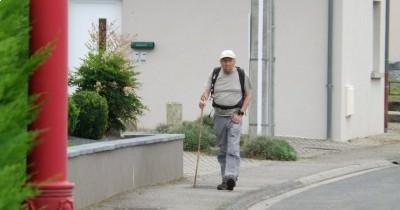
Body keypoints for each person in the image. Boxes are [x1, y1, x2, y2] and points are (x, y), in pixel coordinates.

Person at [198, 50, 252, 191]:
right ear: (220, 62)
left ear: (234, 62)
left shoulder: (241, 74)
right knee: (223, 149)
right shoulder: (215, 73)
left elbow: (248, 95)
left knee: (233, 147)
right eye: (224, 61)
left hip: (234, 115)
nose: (227, 63)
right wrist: (202, 100)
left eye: (230, 60)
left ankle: (231, 176)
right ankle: (225, 180)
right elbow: (207, 90)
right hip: (219, 116)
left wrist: (240, 113)